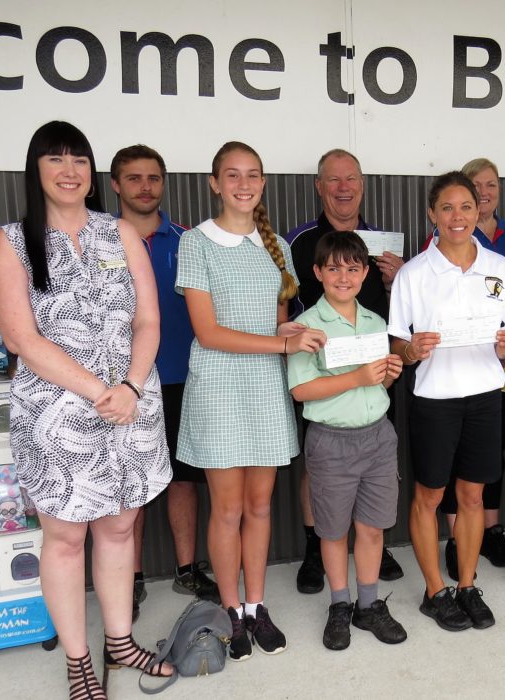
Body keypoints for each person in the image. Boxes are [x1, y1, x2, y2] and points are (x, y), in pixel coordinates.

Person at [0, 121, 173, 699]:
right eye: (56, 159)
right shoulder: (14, 241)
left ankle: (119, 642)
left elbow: (148, 320)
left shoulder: (119, 232)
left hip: (131, 405)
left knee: (119, 527)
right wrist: (101, 391)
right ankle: (78, 661)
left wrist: (132, 386)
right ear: (36, 169)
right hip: (58, 415)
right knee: (66, 538)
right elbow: (21, 338)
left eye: (79, 160)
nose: (69, 171)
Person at [175, 141, 325, 661]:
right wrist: (282, 345)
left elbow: (275, 322)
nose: (244, 184)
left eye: (253, 175)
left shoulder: (275, 244)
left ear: (263, 183)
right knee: (228, 508)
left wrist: (299, 333)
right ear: (214, 183)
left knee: (260, 506)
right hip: (218, 387)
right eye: (233, 175)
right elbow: (209, 332)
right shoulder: (195, 243)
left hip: (264, 386)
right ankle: (231, 610)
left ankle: (256, 605)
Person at [388, 171, 505, 630]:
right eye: (447, 207)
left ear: (478, 209)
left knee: (472, 495)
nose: (457, 216)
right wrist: (410, 350)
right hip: (435, 399)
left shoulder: (499, 268)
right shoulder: (413, 274)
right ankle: (435, 591)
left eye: (466, 206)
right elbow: (396, 344)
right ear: (432, 213)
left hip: (485, 396)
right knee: (430, 496)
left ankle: (467, 585)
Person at [286, 149, 404, 592]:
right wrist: (288, 333)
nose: (343, 187)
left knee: (371, 484)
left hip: (373, 369)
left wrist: (395, 280)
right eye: (333, 180)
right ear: (319, 186)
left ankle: (371, 553)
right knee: (320, 476)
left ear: (362, 184)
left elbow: (398, 311)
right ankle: (316, 547)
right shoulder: (299, 241)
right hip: (323, 370)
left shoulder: (380, 242)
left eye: (350, 178)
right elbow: (284, 301)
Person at [109, 145, 219, 620]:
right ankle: (129, 578)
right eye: (134, 178)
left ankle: (186, 569)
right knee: (129, 485)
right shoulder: (99, 240)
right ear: (115, 185)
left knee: (184, 480)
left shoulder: (188, 240)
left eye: (153, 178)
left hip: (182, 377)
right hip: (123, 384)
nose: (145, 187)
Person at [288, 231, 407, 650]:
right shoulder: (306, 326)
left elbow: (378, 385)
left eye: (353, 269)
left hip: (377, 437)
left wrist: (388, 374)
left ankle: (368, 605)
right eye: (334, 268)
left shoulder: (375, 322)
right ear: (317, 272)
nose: (344, 277)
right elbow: (301, 390)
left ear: (365, 273)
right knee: (333, 531)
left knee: (372, 528)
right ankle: (340, 604)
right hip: (331, 441)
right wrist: (357, 377)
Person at [424, 158, 505, 579]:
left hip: (498, 373)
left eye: (491, 186)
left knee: (492, 457)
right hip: (445, 380)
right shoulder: (433, 250)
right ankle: (458, 539)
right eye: (476, 186)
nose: (483, 193)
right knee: (455, 464)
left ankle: (490, 531)